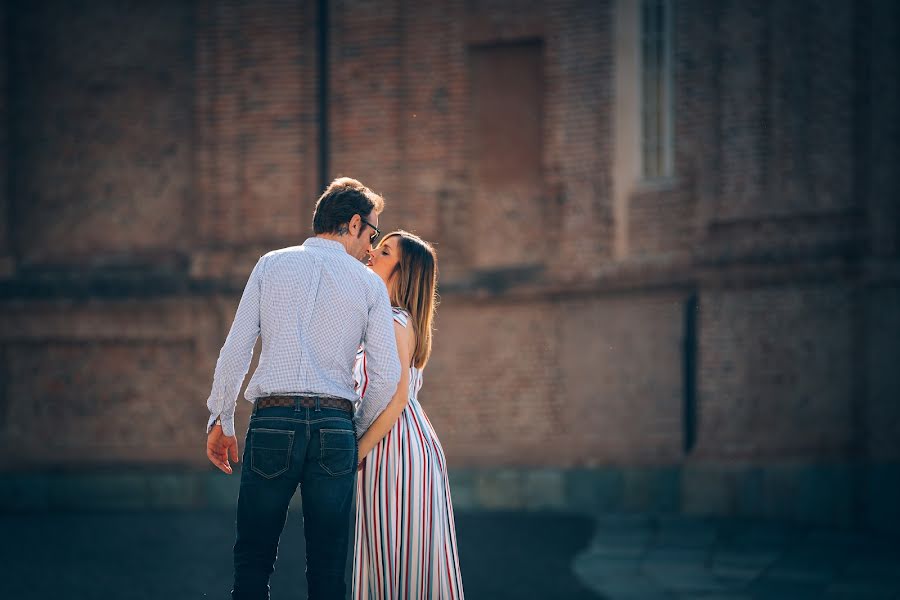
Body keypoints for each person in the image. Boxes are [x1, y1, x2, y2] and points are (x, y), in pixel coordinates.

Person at [204, 177, 402, 600]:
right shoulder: (368, 284)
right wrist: (350, 429)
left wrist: (221, 419)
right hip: (335, 428)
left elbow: (236, 349)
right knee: (328, 568)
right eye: (373, 233)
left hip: (272, 421)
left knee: (253, 561)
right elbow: (386, 376)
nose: (372, 247)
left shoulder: (270, 265)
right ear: (353, 224)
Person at [352, 231, 465, 599]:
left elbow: (397, 398)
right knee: (389, 561)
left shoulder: (396, 322)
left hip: (394, 450)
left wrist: (355, 452)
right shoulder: (387, 318)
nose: (371, 253)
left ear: (403, 273)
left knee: (392, 563)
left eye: (384, 252)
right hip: (394, 445)